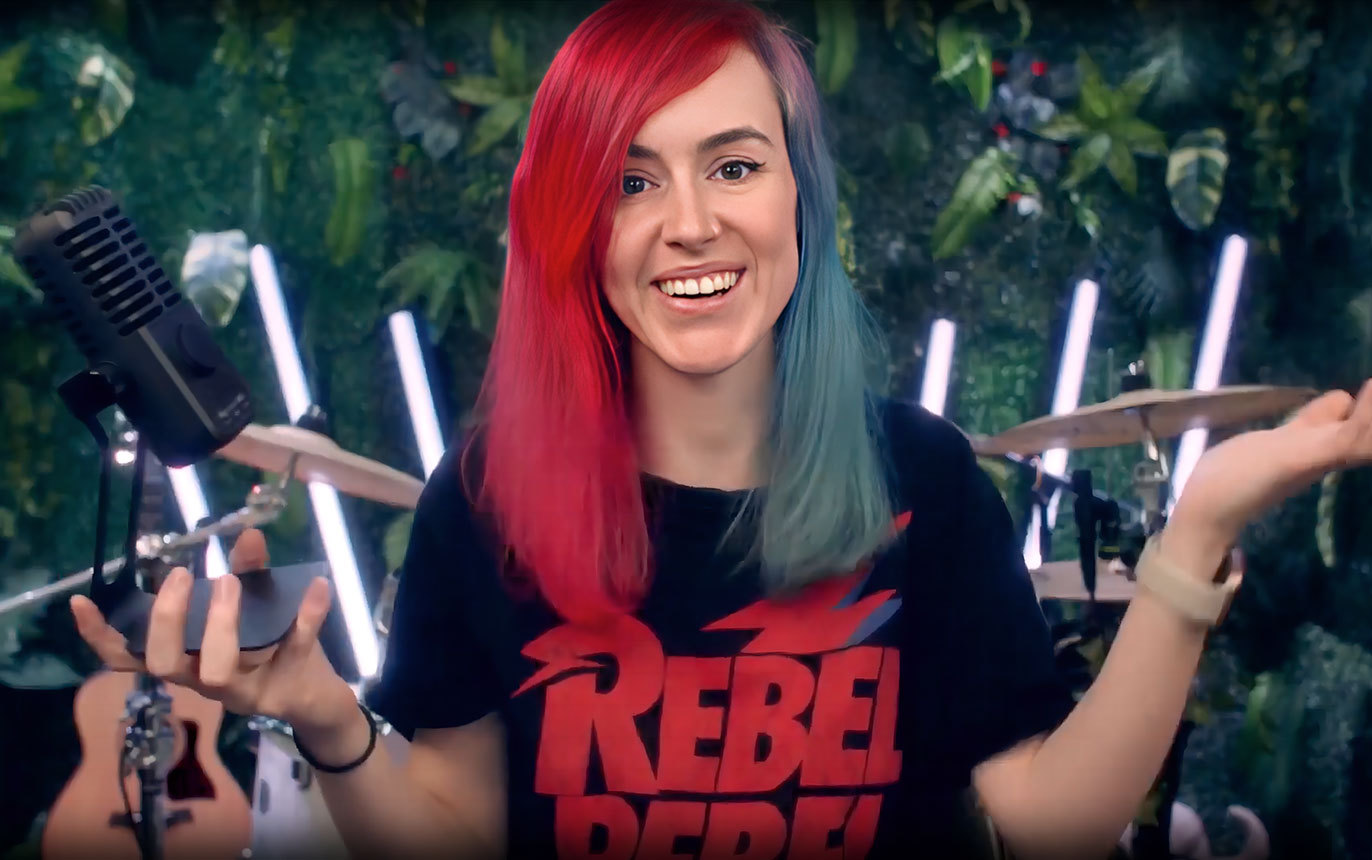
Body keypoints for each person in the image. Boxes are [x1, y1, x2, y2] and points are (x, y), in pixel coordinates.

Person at [69, 0, 1372, 857]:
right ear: (576, 228)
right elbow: (455, 828)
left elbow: (1049, 823)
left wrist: (1198, 532)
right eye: (631, 180)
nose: (690, 223)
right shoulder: (489, 502)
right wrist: (323, 716)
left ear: (800, 198)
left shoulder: (922, 480)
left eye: (734, 165)